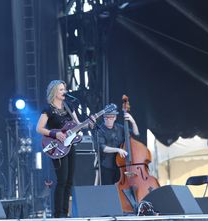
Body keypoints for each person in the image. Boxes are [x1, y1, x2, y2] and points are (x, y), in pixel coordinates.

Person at [36, 80, 93, 218]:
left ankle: (65, 213)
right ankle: (58, 214)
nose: (64, 92)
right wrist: (55, 133)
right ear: (54, 92)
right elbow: (39, 129)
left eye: (64, 89)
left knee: (69, 181)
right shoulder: (48, 109)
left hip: (70, 146)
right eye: (61, 89)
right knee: (61, 180)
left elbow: (78, 125)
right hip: (57, 148)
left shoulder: (69, 106)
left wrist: (89, 123)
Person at [95, 105, 139, 185]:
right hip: (107, 166)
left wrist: (133, 121)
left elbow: (136, 133)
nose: (108, 120)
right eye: (106, 118)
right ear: (104, 118)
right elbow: (103, 148)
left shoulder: (120, 128)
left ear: (115, 118)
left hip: (121, 165)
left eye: (111, 118)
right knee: (108, 189)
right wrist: (118, 150)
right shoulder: (100, 130)